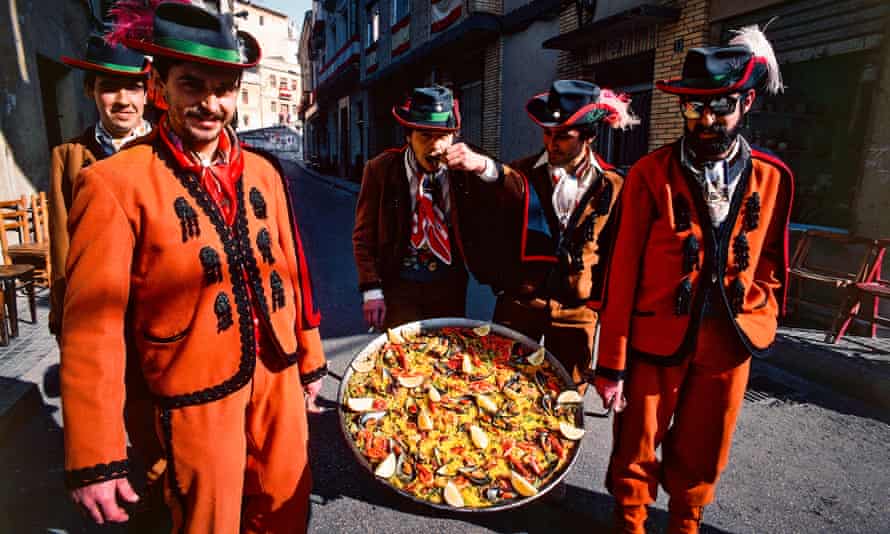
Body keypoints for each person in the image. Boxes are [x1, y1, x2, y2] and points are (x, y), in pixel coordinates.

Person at [60, 4, 326, 532]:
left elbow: (291, 269)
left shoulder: (264, 170)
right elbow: (92, 326)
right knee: (209, 521)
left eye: (224, 88)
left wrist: (309, 357)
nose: (211, 103)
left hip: (277, 377)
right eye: (192, 85)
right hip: (193, 396)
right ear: (158, 86)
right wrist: (96, 453)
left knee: (286, 507)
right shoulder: (114, 183)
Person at [592, 26, 793, 533]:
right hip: (655, 337)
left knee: (707, 445)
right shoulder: (648, 173)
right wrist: (612, 366)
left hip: (728, 339)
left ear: (746, 102)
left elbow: (770, 255)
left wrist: (760, 309)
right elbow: (622, 271)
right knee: (636, 443)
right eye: (693, 108)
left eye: (719, 107)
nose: (705, 120)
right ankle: (631, 523)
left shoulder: (772, 177)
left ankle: (686, 523)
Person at [493, 80, 637, 389]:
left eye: (563, 136)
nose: (551, 143)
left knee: (566, 398)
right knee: (503, 389)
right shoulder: (519, 173)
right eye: (547, 133)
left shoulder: (613, 185)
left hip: (576, 312)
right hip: (520, 304)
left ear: (588, 136)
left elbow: (615, 255)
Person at [353, 85, 522, 329]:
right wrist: (371, 289)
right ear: (408, 136)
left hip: (450, 284)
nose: (434, 147)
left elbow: (519, 195)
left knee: (442, 356)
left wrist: (484, 167)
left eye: (442, 136)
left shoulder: (468, 164)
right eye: (425, 136)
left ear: (454, 137)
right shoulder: (380, 169)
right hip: (399, 286)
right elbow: (363, 237)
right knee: (403, 358)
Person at [50, 34, 152, 337]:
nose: (123, 100)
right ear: (89, 90)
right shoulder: (68, 156)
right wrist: (62, 316)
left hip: (158, 311)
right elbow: (61, 244)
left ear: (147, 93)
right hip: (98, 312)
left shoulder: (167, 152)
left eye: (133, 87)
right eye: (109, 87)